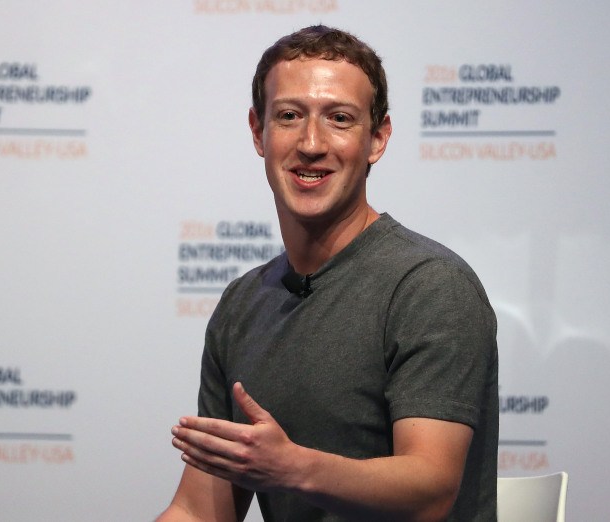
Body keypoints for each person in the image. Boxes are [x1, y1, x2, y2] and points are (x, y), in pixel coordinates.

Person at [158, 25, 498, 521]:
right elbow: (197, 509)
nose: (311, 143)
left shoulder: (429, 287)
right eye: (290, 116)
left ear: (377, 139)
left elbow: (431, 489)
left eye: (339, 119)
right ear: (259, 132)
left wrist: (293, 468)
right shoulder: (242, 304)